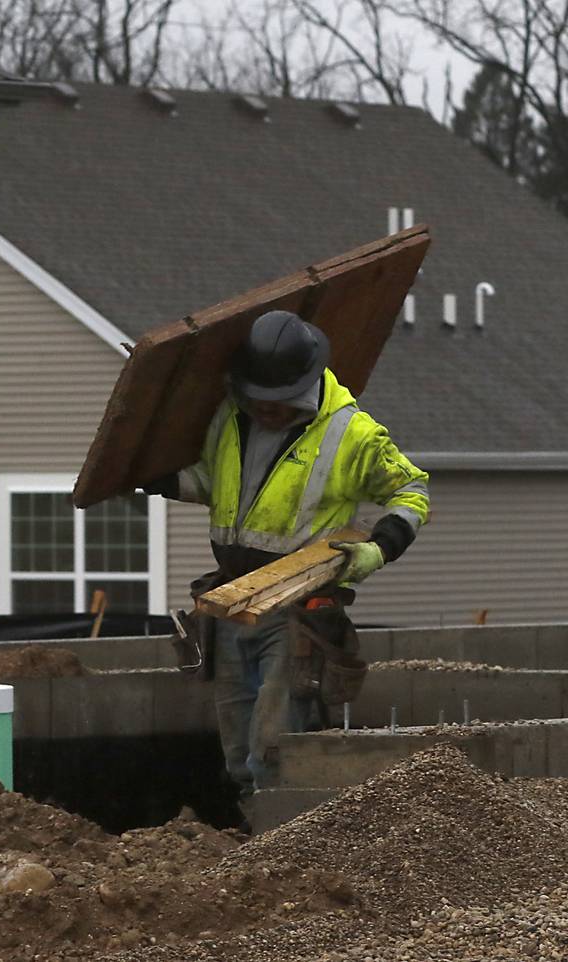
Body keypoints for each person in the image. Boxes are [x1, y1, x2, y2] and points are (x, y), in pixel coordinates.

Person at [144, 310, 429, 796]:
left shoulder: (352, 435)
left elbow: (412, 491)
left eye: (275, 403)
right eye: (256, 400)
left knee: (274, 748)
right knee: (237, 750)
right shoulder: (232, 419)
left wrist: (377, 551)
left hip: (298, 609)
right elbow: (216, 485)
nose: (265, 411)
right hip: (234, 602)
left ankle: (286, 850)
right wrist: (163, 480)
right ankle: (254, 848)